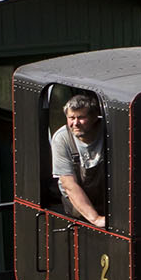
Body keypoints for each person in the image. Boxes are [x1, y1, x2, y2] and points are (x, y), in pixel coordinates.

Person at [49, 89, 109, 225]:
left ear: (95, 117)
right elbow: (69, 184)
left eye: (81, 118)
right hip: (77, 211)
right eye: (71, 118)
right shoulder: (62, 139)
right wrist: (96, 219)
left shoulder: (109, 131)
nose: (75, 123)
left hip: (106, 205)